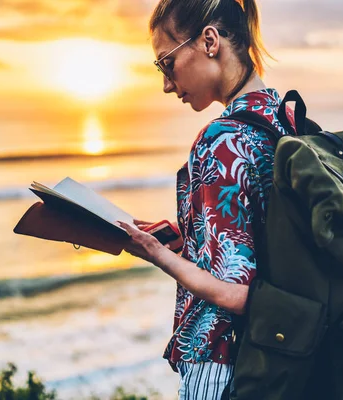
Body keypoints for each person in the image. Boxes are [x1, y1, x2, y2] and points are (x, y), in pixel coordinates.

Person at [116, 0, 295, 398]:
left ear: (210, 41)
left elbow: (235, 293)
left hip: (222, 358)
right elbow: (259, 242)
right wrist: (187, 239)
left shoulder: (221, 141)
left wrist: (155, 254)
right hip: (275, 355)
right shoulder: (283, 119)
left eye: (166, 63)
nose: (166, 83)